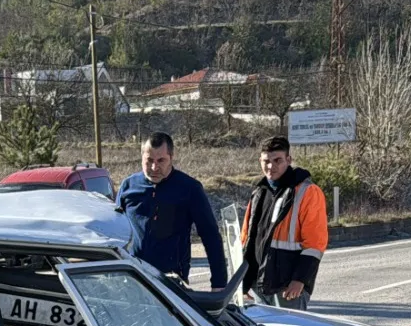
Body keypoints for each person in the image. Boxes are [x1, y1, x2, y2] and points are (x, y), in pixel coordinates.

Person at [114, 132, 227, 290]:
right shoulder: (128, 187)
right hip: (133, 275)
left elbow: (210, 236)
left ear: (171, 157)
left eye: (161, 161)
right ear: (141, 157)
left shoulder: (189, 189)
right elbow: (113, 232)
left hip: (172, 280)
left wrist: (219, 283)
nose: (154, 167)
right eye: (149, 161)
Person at [239, 136, 329, 311]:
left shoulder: (307, 192)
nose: (271, 166)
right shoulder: (259, 192)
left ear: (289, 160)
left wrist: (300, 280)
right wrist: (244, 280)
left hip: (288, 287)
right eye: (266, 161)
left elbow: (315, 243)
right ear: (260, 161)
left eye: (277, 160)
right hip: (259, 284)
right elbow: (247, 239)